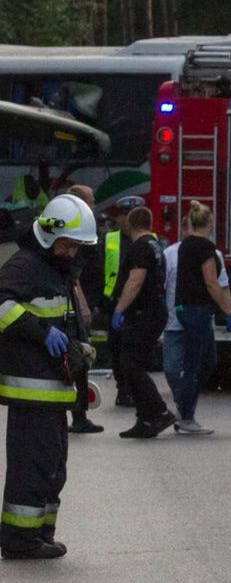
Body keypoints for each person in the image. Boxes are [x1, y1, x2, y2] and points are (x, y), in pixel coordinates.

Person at [0, 194, 97, 559]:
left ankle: (40, 533)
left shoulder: (54, 269)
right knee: (32, 468)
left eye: (77, 246)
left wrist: (76, 346)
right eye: (68, 245)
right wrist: (41, 333)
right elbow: (2, 306)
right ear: (48, 235)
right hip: (32, 392)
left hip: (53, 392)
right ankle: (18, 540)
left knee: (52, 469)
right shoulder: (24, 266)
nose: (72, 252)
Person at [172, 201, 231, 434]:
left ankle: (183, 407)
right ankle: (186, 416)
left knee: (207, 360)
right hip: (198, 310)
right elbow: (212, 283)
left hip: (185, 308)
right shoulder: (204, 248)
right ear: (210, 223)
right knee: (197, 363)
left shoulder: (185, 246)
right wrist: (229, 312)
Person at [110, 205, 174, 438]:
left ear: (129, 222)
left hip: (143, 313)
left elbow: (135, 281)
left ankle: (158, 411)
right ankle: (145, 419)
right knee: (134, 364)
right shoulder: (156, 246)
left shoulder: (139, 248)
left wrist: (119, 309)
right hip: (154, 311)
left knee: (131, 364)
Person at [163, 219, 230, 427]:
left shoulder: (212, 253)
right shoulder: (171, 254)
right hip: (176, 319)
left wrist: (230, 310)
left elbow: (222, 285)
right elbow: (163, 284)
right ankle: (183, 405)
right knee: (173, 368)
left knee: (204, 364)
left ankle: (184, 408)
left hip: (194, 316)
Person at [65, 184, 103, 434]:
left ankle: (79, 415)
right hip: (77, 305)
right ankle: (78, 416)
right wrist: (83, 304)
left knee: (81, 358)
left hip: (86, 300)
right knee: (80, 357)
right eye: (90, 201)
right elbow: (72, 274)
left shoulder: (84, 227)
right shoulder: (76, 230)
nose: (94, 205)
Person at [104, 196, 143, 407]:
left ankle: (134, 389)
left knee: (135, 350)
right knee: (117, 348)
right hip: (115, 303)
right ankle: (123, 389)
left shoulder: (149, 239)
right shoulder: (110, 240)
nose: (125, 220)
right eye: (123, 215)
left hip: (140, 304)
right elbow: (98, 269)